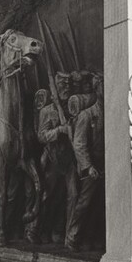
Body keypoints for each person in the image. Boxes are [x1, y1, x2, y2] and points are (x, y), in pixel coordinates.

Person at [65, 72, 104, 251]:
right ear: (97, 90)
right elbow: (79, 143)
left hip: (106, 164)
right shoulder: (87, 115)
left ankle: (91, 238)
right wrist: (88, 167)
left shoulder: (111, 113)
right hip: (92, 166)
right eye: (101, 87)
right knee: (84, 203)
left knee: (99, 204)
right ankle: (72, 237)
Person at [37, 72, 77, 244]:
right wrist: (59, 131)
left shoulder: (73, 107)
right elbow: (41, 136)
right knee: (49, 196)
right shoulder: (47, 111)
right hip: (53, 159)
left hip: (70, 159)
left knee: (72, 195)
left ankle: (67, 233)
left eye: (68, 85)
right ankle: (43, 229)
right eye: (63, 85)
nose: (66, 89)